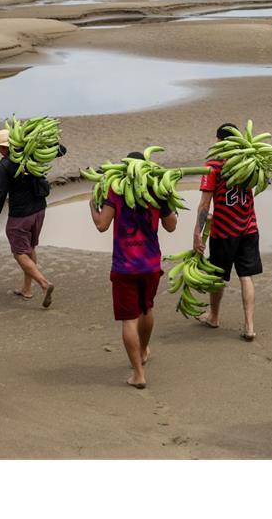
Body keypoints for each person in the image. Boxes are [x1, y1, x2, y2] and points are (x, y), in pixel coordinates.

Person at [89, 152, 178, 389]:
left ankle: (138, 374)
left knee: (129, 319)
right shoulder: (158, 192)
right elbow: (171, 226)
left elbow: (101, 225)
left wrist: (92, 206)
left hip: (124, 266)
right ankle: (144, 349)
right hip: (150, 265)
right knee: (146, 308)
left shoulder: (115, 192)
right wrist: (168, 200)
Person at [192, 122, 262, 340]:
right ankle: (249, 327)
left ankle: (214, 317)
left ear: (219, 141)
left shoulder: (213, 165)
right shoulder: (250, 162)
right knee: (246, 276)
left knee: (217, 276)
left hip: (223, 231)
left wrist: (197, 232)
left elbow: (205, 204)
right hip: (249, 227)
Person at [0, 127, 65, 308]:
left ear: (4, 148)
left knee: (19, 252)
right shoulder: (33, 155)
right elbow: (61, 150)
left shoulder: (5, 165)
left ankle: (44, 283)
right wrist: (43, 143)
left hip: (20, 215)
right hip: (39, 210)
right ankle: (27, 289)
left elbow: (0, 194)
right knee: (30, 248)